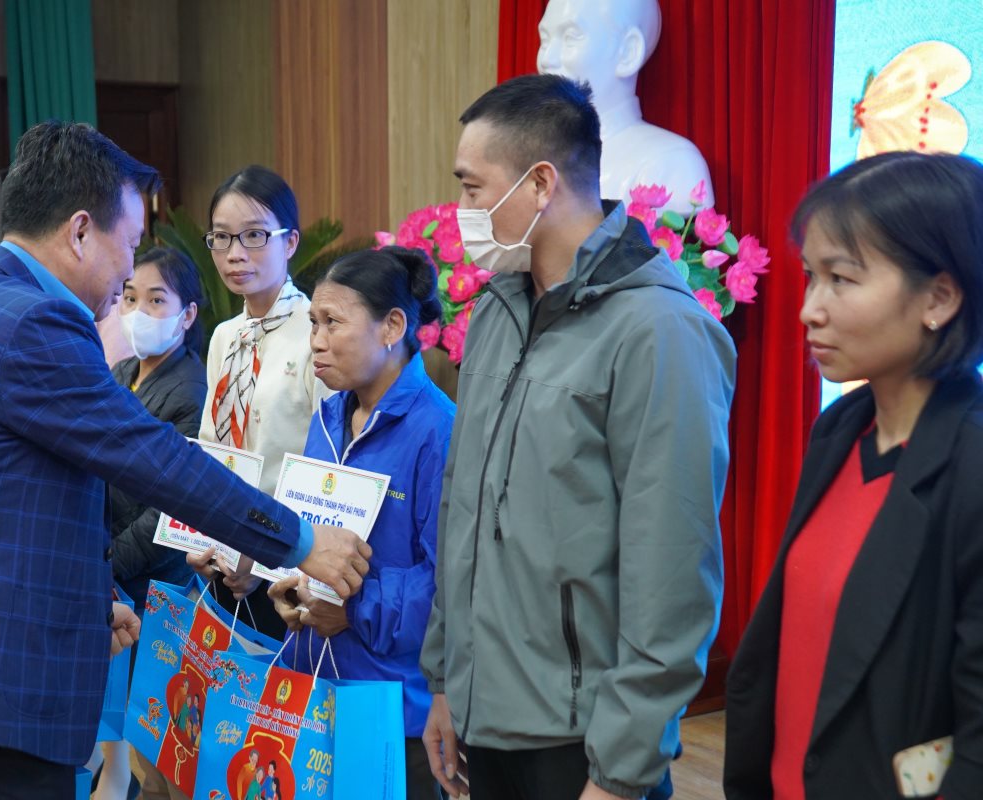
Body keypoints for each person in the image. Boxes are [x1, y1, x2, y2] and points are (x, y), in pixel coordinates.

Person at [0, 121, 370, 799]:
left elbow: (1, 494)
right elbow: (152, 456)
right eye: (127, 244)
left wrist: (94, 597)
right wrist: (301, 541)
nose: (129, 271)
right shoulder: (35, 321)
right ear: (78, 232)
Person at [419, 73, 735, 800]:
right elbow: (463, 509)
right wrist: (445, 682)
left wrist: (623, 767)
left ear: (539, 183)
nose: (462, 211)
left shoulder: (660, 330)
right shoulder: (497, 310)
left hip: (583, 739)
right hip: (481, 714)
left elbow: (672, 566)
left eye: (472, 187)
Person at [724, 153, 983, 800]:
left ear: (939, 298)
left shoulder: (971, 465)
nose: (810, 310)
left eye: (841, 279)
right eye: (810, 277)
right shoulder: (841, 428)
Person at [268, 246, 454, 799]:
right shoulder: (327, 418)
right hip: (313, 687)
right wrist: (289, 585)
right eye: (313, 323)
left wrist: (352, 609)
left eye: (333, 322)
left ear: (392, 326)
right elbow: (309, 531)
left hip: (393, 706)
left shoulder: (439, 429)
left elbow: (450, 584)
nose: (316, 340)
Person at [189, 165, 330, 639]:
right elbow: (211, 449)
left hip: (288, 567)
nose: (235, 254)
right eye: (221, 237)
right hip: (221, 555)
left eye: (254, 236)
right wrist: (200, 537)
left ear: (290, 242)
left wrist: (265, 555)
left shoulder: (316, 334)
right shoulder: (224, 337)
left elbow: (324, 466)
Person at [537, 0, 713, 213]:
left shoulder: (671, 162)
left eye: (570, 38)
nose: (546, 59)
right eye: (544, 40)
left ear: (628, 52)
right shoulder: (530, 151)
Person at [110, 246, 208, 613]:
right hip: (106, 561)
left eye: (156, 300)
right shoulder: (121, 371)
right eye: (130, 298)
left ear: (188, 315)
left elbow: (172, 507)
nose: (139, 312)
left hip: (150, 582)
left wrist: (110, 563)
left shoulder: (192, 390)